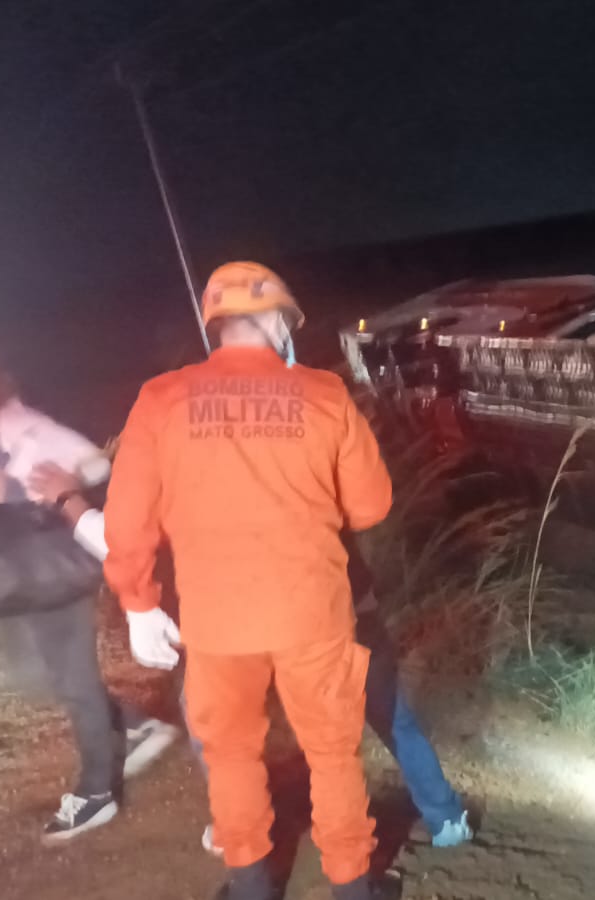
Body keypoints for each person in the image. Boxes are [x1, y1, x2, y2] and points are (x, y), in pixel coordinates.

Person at [103, 262, 396, 900]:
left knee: (231, 757)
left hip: (216, 620)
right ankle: (352, 887)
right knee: (332, 754)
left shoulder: (160, 399)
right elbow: (371, 505)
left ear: (217, 326)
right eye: (289, 321)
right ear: (275, 321)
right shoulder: (324, 393)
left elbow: (127, 519)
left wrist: (138, 601)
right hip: (313, 612)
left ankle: (251, 886)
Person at [27, 466, 476, 856]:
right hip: (342, 612)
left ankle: (247, 829)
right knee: (383, 717)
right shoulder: (294, 455)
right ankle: (442, 818)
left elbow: (127, 546)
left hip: (285, 627)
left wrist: (72, 502)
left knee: (223, 722)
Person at [0, 330, 180, 843]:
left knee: (73, 681)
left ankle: (97, 791)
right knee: (39, 681)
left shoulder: (20, 426)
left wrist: (13, 491)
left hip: (51, 571)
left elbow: (93, 464)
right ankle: (137, 723)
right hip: (0, 582)